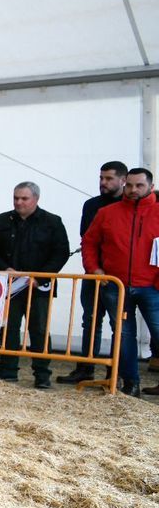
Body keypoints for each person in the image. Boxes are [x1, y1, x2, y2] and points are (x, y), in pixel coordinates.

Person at [0, 182, 70, 388]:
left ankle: (42, 375)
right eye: (16, 198)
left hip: (39, 287)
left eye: (24, 198)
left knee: (38, 329)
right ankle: (7, 370)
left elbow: (60, 253)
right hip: (10, 285)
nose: (19, 202)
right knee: (8, 327)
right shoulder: (1, 219)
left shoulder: (52, 222)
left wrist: (41, 277)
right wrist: (3, 269)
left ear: (36, 199)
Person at [81, 167, 159, 397]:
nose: (134, 190)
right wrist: (94, 270)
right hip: (116, 286)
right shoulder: (107, 212)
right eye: (130, 185)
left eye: (139, 186)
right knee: (123, 335)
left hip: (152, 286)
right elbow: (89, 242)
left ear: (150, 187)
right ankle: (130, 383)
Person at [58, 161, 128, 385]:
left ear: (122, 180)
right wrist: (93, 268)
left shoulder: (128, 207)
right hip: (94, 272)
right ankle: (85, 367)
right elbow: (88, 239)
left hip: (119, 277)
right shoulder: (91, 205)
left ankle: (115, 370)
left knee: (119, 325)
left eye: (108, 179)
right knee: (90, 321)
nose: (103, 183)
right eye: (101, 178)